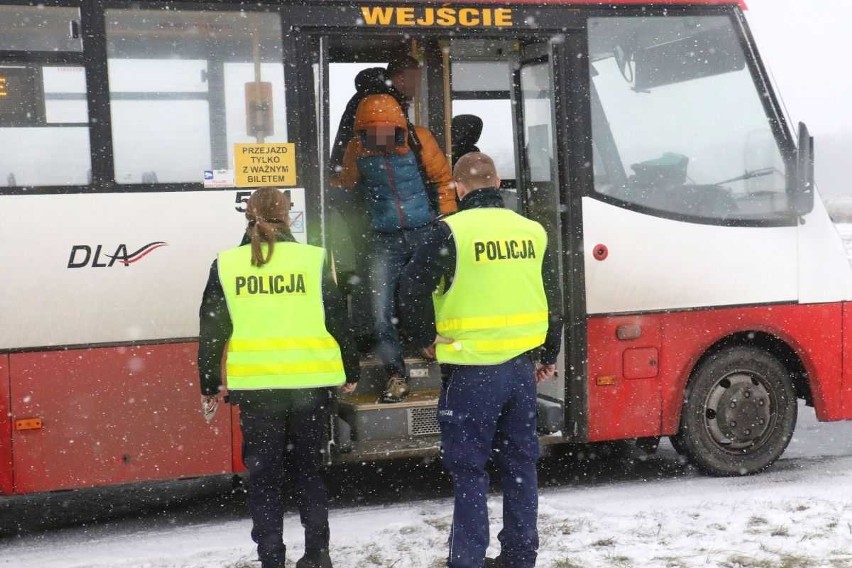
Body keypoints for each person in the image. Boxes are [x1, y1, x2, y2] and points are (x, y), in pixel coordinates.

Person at [399, 152, 563, 568]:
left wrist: (423, 340)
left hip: (471, 370)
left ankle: (468, 560)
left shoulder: (449, 232)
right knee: (521, 465)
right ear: (498, 181)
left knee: (469, 470)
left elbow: (410, 287)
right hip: (520, 371)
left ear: (458, 188)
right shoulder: (532, 231)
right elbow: (552, 297)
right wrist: (548, 352)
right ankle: (520, 557)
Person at [197, 187, 360, 568]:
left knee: (264, 477)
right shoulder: (312, 259)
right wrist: (350, 369)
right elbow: (337, 319)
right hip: (310, 385)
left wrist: (208, 383)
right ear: (288, 215)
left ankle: (271, 557)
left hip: (257, 390)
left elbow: (212, 329)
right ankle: (317, 554)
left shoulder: (227, 264)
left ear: (247, 215)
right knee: (310, 472)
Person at [333, 93, 456, 403]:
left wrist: (448, 224)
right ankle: (396, 374)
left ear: (400, 126)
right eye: (372, 133)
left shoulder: (420, 140)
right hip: (384, 237)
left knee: (428, 298)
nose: (382, 140)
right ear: (362, 131)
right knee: (381, 310)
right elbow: (347, 184)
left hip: (424, 231)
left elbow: (444, 182)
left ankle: (429, 346)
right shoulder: (357, 148)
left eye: (389, 132)